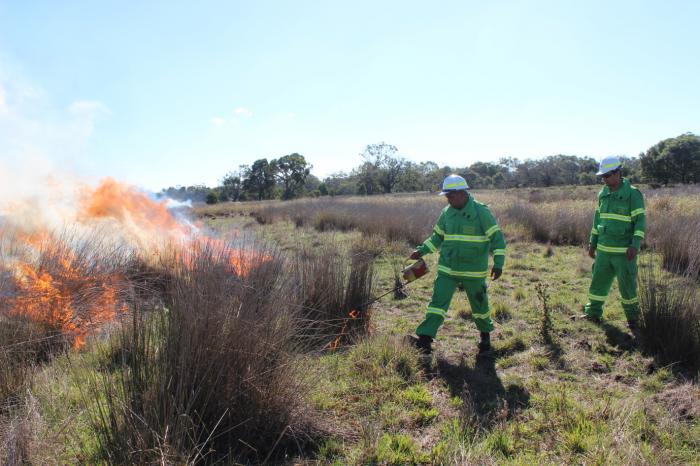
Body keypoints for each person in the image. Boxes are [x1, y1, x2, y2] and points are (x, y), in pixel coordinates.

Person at [408, 174, 505, 354]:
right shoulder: (447, 213)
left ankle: (485, 338)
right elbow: (437, 237)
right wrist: (422, 250)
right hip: (448, 269)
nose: (448, 199)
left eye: (450, 196)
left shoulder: (481, 212)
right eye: (446, 196)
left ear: (462, 193)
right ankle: (425, 339)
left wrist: (499, 264)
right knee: (437, 304)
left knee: (480, 306)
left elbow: (497, 239)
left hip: (473, 271)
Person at [582, 156, 646, 329]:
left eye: (608, 175)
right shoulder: (603, 194)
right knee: (597, 284)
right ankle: (593, 313)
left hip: (624, 253)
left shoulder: (633, 194)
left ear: (618, 172)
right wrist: (592, 243)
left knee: (627, 289)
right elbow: (597, 221)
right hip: (603, 251)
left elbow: (640, 221)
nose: (604, 179)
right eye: (602, 176)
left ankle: (633, 319)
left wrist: (635, 244)